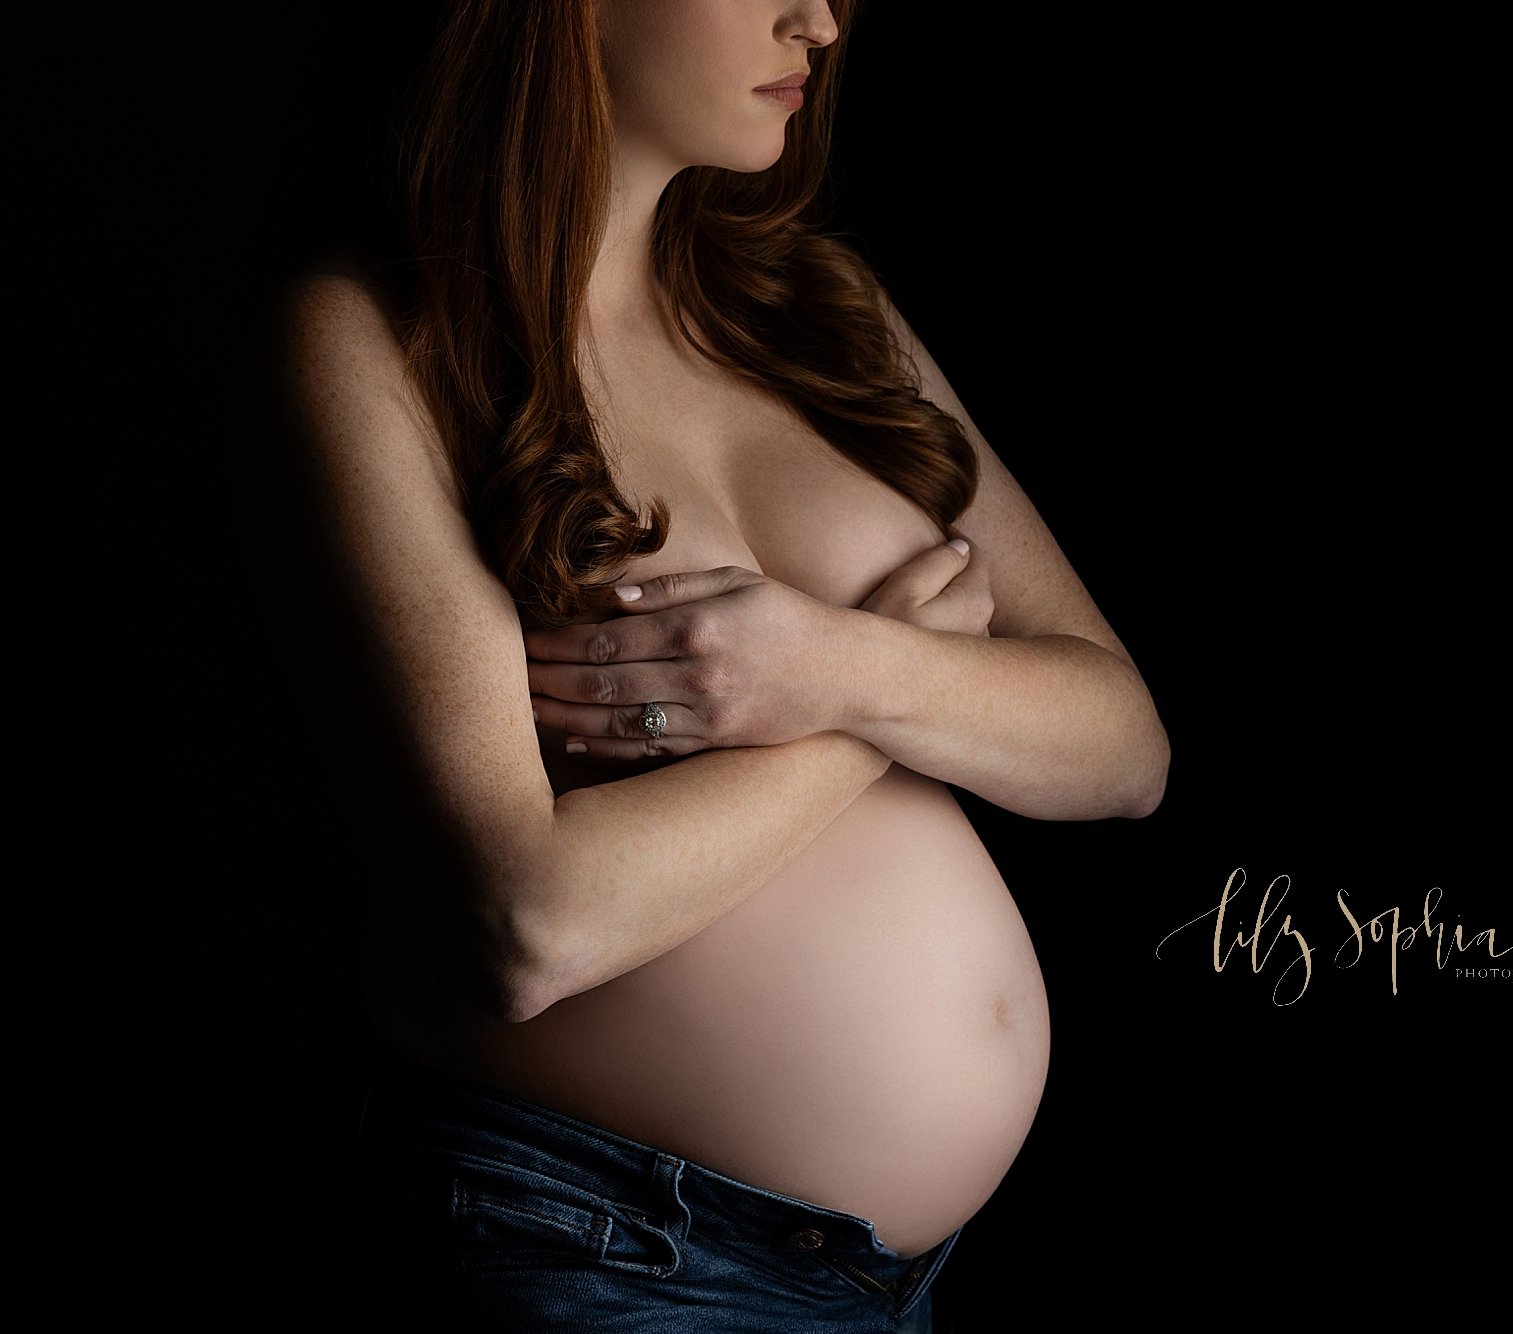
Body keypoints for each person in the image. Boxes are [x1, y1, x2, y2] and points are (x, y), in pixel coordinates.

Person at [237, 1, 1169, 1328]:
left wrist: (846, 666)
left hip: (897, 1285)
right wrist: (859, 707)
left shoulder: (821, 311)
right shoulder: (366, 342)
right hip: (608, 1250)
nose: (822, 20)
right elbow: (527, 923)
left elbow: (1126, 748)